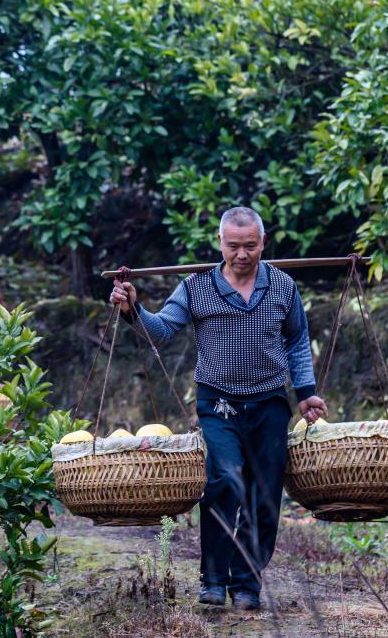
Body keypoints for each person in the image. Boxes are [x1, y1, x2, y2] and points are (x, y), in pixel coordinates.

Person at [109, 206, 328, 611]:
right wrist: (132, 309)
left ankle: (247, 583)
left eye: (250, 246)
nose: (242, 254)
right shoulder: (196, 287)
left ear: (263, 243)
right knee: (224, 481)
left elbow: (297, 340)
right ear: (220, 243)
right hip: (218, 401)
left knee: (265, 493)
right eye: (233, 246)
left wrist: (306, 392)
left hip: (269, 401)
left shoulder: (282, 286)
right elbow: (162, 330)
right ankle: (212, 579)